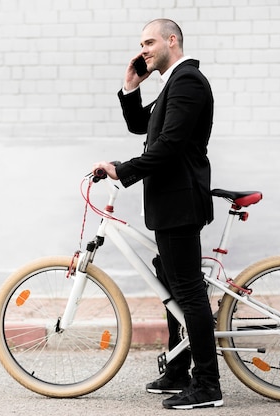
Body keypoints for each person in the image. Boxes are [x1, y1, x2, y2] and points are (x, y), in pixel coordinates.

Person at [92, 19, 222, 410]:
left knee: (188, 292)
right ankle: (178, 370)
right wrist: (131, 86)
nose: (144, 49)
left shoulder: (188, 81)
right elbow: (141, 126)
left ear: (172, 40)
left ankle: (208, 385)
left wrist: (125, 170)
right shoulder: (172, 84)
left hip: (181, 202)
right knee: (171, 281)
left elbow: (168, 145)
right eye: (141, 44)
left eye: (149, 42)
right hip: (171, 203)